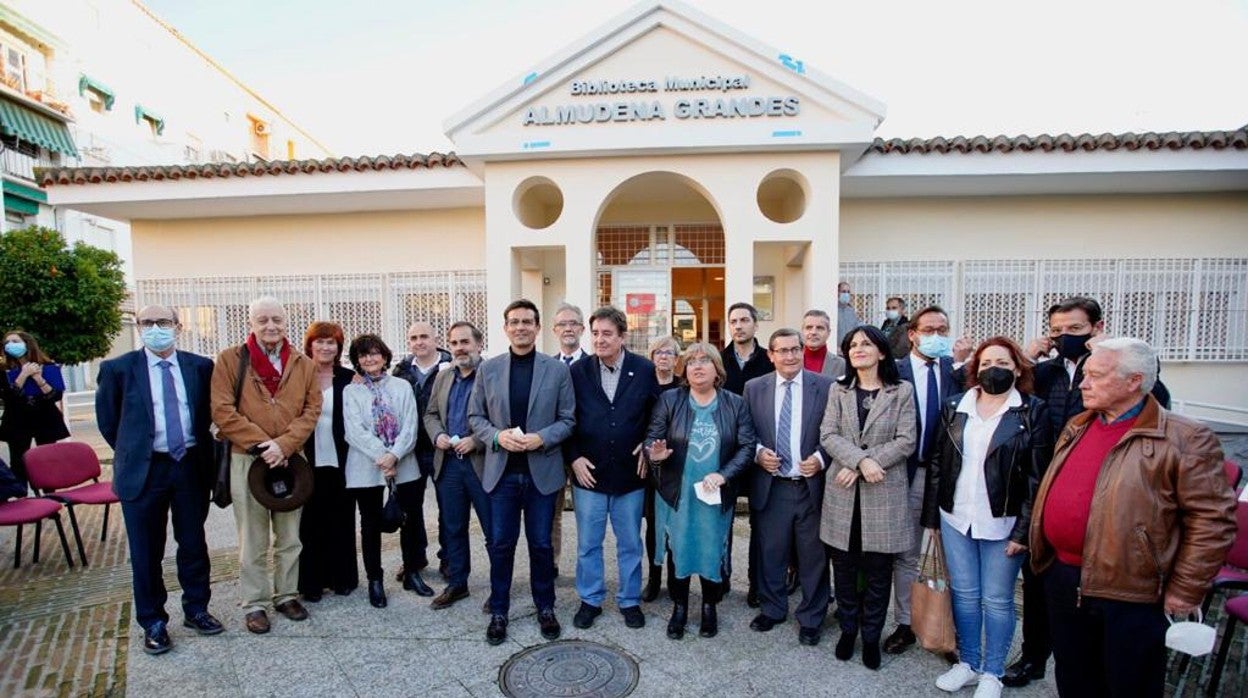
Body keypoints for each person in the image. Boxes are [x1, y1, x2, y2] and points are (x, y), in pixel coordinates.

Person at [1029, 338, 1236, 698]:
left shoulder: (1186, 437)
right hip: (1063, 578)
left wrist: (1185, 589)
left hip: (1130, 590)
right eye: (1085, 374)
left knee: (1130, 683)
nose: (1083, 383)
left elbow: (1212, 520)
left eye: (1096, 376)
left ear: (1133, 381)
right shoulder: (1079, 424)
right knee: (1075, 677)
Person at [1005, 296, 1170, 688]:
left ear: (1097, 328)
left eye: (1075, 330)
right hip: (1043, 492)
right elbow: (1008, 397)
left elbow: (1155, 398)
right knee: (1040, 587)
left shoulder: (1120, 370)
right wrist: (1027, 361)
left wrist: (1104, 355)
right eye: (1057, 331)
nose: (1065, 338)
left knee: (1097, 607)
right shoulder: (1046, 373)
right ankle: (1034, 657)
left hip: (1108, 499)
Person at [920, 337, 1053, 698]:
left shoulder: (1031, 411)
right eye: (987, 361)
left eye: (1004, 362)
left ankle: (993, 671)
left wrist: (1024, 532)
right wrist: (932, 518)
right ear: (975, 368)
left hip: (1005, 523)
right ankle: (968, 663)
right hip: (956, 516)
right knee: (964, 594)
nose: (994, 368)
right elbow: (937, 463)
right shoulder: (954, 406)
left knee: (996, 598)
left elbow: (1037, 477)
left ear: (1018, 369)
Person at [95, 305, 222, 655]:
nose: (155, 328)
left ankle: (197, 608)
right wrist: (137, 452)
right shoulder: (117, 369)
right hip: (143, 472)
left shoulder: (200, 367)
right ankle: (152, 621)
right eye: (147, 323)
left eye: (162, 322)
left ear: (177, 326)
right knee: (146, 552)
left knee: (193, 544)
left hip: (189, 467)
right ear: (138, 328)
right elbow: (109, 423)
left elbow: (208, 413)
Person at [211, 296, 321, 634]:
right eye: (263, 320)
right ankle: (254, 602)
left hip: (292, 460)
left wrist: (284, 445)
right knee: (253, 537)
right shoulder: (230, 360)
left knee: (290, 535)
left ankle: (286, 594)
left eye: (276, 320)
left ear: (286, 323)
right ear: (251, 324)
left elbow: (311, 410)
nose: (270, 326)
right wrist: (263, 445)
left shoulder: (303, 363)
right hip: (248, 460)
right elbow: (222, 410)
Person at [469, 299, 576, 646]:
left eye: (527, 322)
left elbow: (568, 419)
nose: (520, 327)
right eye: (514, 322)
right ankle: (500, 610)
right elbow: (475, 418)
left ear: (538, 327)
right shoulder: (489, 369)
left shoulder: (556, 370)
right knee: (501, 545)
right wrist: (497, 437)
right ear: (505, 328)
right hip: (501, 474)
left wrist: (542, 438)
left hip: (541, 473)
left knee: (542, 545)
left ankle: (545, 607)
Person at [820, 325, 917, 670]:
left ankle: (872, 636)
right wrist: (860, 460)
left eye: (866, 344)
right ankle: (849, 630)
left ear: (881, 352)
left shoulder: (901, 391)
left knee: (878, 575)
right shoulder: (839, 390)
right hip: (842, 494)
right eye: (853, 345)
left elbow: (907, 440)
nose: (859, 349)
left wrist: (866, 463)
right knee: (843, 572)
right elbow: (828, 434)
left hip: (883, 494)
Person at [646, 343, 756, 640]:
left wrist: (724, 475)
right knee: (679, 549)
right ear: (685, 369)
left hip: (715, 496)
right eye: (691, 361)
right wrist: (654, 454)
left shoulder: (734, 403)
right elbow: (652, 438)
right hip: (677, 493)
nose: (697, 366)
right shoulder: (670, 400)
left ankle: (709, 606)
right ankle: (679, 607)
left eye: (705, 360)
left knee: (710, 550)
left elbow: (747, 446)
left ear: (717, 368)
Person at [567, 306, 660, 630]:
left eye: (607, 333)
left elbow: (658, 414)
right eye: (595, 333)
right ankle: (590, 599)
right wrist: (573, 457)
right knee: (588, 543)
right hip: (588, 472)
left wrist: (649, 443)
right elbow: (566, 418)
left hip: (630, 475)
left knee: (630, 542)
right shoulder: (578, 371)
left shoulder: (644, 369)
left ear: (622, 336)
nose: (599, 339)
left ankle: (629, 600)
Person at [744, 328, 834, 646]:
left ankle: (811, 618)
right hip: (773, 486)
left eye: (795, 349)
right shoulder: (754, 388)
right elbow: (746, 431)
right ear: (771, 355)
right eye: (782, 350)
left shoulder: (824, 386)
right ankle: (772, 608)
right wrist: (757, 454)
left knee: (813, 557)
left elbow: (837, 431)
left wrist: (822, 459)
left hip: (810, 486)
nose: (790, 355)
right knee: (771, 552)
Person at [885, 305, 967, 655]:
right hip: (907, 472)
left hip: (950, 477)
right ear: (913, 334)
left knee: (953, 556)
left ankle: (950, 629)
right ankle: (905, 623)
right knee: (906, 553)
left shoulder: (960, 372)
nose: (936, 336)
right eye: (929, 330)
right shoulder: (895, 372)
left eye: (942, 329)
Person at [343, 334, 425, 609]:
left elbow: (411, 426)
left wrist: (395, 455)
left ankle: (412, 572)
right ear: (356, 360)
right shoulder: (351, 391)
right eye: (363, 355)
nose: (370, 359)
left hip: (404, 464)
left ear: (385, 356)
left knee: (410, 519)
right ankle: (375, 580)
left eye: (375, 353)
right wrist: (382, 455)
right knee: (369, 525)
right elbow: (354, 431)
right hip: (366, 467)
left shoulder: (402, 386)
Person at [424, 321, 490, 610]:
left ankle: (500, 588)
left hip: (482, 465)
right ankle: (457, 584)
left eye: (465, 342)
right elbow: (431, 413)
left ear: (478, 344)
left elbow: (502, 417)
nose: (459, 348)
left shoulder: (492, 375)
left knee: (494, 530)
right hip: (449, 465)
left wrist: (477, 440)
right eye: (454, 343)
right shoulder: (443, 377)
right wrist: (437, 434)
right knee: (453, 528)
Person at [297, 321, 359, 602]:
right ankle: (311, 582)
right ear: (310, 345)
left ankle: (342, 578)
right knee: (309, 522)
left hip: (341, 459)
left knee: (342, 518)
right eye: (319, 341)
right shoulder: (296, 376)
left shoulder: (349, 378)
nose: (325, 347)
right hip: (305, 461)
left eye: (331, 342)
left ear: (338, 347)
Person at [719, 301, 774, 607]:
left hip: (759, 453)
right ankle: (722, 576)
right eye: (733, 321)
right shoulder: (720, 360)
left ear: (755, 324)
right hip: (726, 455)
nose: (738, 326)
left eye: (743, 320)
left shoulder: (769, 360)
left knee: (760, 523)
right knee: (722, 520)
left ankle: (756, 583)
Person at [389, 320, 448, 593]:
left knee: (449, 508)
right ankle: (414, 557)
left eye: (425, 336)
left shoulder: (450, 366)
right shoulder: (400, 371)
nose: (419, 342)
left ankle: (448, 558)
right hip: (410, 449)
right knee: (410, 509)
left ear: (436, 338)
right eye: (413, 337)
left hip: (442, 447)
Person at [1, 330, 69, 492]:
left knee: (46, 461)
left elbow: (55, 396)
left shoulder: (48, 367)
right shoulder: (3, 371)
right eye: (7, 342)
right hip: (17, 421)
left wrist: (39, 379)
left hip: (44, 419)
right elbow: (8, 397)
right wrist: (23, 375)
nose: (11, 345)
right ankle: (21, 498)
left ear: (27, 343)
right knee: (18, 462)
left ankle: (50, 498)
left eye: (15, 341)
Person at [642, 335, 683, 602]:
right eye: (658, 352)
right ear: (652, 357)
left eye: (669, 353)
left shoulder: (684, 387)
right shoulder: (642, 386)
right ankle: (654, 578)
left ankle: (674, 578)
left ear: (677, 359)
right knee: (654, 525)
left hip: (678, 463)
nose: (663, 357)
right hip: (649, 464)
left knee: (676, 526)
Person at [549, 302, 587, 576]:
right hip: (553, 453)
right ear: (554, 330)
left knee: (588, 517)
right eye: (562, 324)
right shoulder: (547, 367)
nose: (568, 328)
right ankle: (551, 565)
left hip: (586, 455)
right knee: (552, 516)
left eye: (573, 323)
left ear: (582, 329)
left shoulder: (595, 365)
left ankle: (586, 570)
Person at [801, 309, 847, 379]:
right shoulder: (791, 361)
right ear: (802, 331)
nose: (813, 332)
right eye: (809, 328)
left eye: (819, 328)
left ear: (828, 332)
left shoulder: (841, 365)